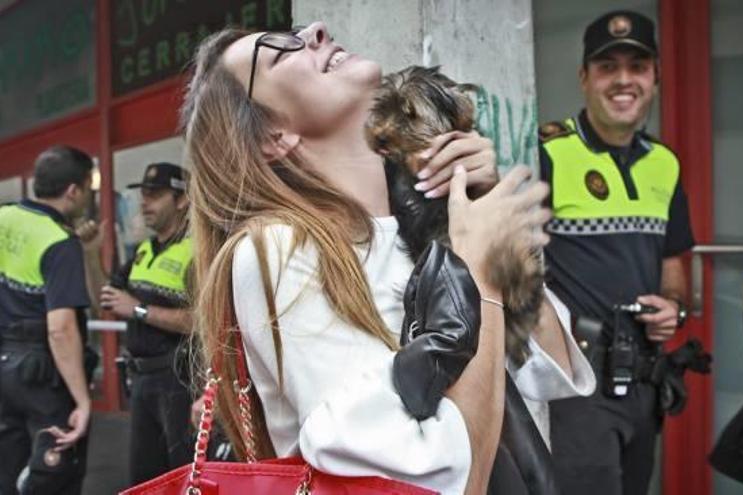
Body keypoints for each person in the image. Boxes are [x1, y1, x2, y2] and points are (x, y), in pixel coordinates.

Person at [180, 23, 594, 495]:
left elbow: (549, 368)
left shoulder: (416, 223)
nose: (314, 32)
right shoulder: (278, 246)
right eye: (278, 52)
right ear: (274, 136)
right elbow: (422, 475)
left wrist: (477, 208)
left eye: (300, 32)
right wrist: (478, 272)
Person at [539, 10, 695, 495]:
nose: (623, 80)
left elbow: (674, 266)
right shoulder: (547, 152)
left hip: (644, 379)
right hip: (576, 381)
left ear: (655, 79)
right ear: (585, 79)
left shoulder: (664, 164)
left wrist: (675, 306)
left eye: (637, 66)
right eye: (608, 67)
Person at [0, 145, 94, 494]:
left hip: (5, 364)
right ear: (73, 190)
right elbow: (61, 329)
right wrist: (82, 401)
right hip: (43, 378)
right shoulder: (59, 240)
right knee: (56, 474)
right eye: (88, 187)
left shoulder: (5, 216)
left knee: (7, 471)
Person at [99, 163, 195, 486]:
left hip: (179, 381)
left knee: (183, 476)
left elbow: (201, 322)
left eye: (154, 195)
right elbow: (108, 298)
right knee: (144, 478)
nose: (144, 202)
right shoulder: (141, 251)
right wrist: (86, 253)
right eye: (143, 194)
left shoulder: (197, 250)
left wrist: (138, 309)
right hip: (142, 381)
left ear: (181, 200)